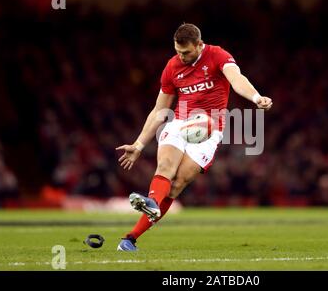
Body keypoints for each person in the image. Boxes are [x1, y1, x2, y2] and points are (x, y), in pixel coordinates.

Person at [115, 23, 273, 251]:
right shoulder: (172, 67)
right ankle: (148, 207)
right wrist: (139, 144)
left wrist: (257, 98)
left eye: (186, 52)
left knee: (175, 186)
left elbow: (237, 79)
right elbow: (159, 110)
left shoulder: (218, 55)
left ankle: (131, 238)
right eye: (178, 51)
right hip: (180, 122)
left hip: (210, 129)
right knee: (165, 166)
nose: (181, 56)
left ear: (199, 45)